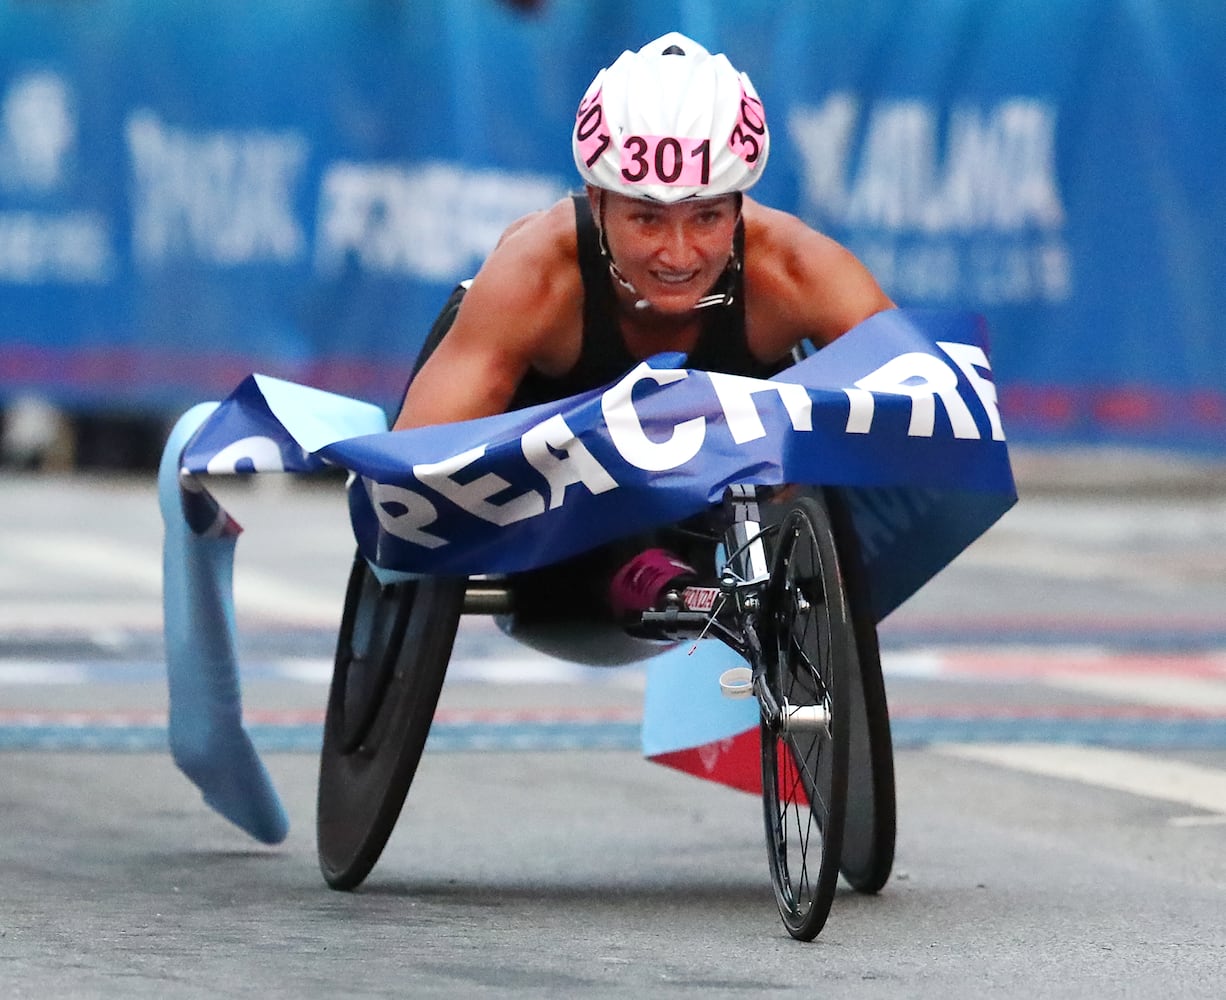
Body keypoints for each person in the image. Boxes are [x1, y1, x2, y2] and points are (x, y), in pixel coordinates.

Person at [394, 31, 893, 622]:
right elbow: (410, 470)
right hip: (554, 537)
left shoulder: (792, 270)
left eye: (707, 216)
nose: (678, 255)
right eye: (647, 219)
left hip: (724, 510)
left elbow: (924, 397)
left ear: (739, 205)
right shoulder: (537, 275)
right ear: (598, 200)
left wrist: (811, 446)